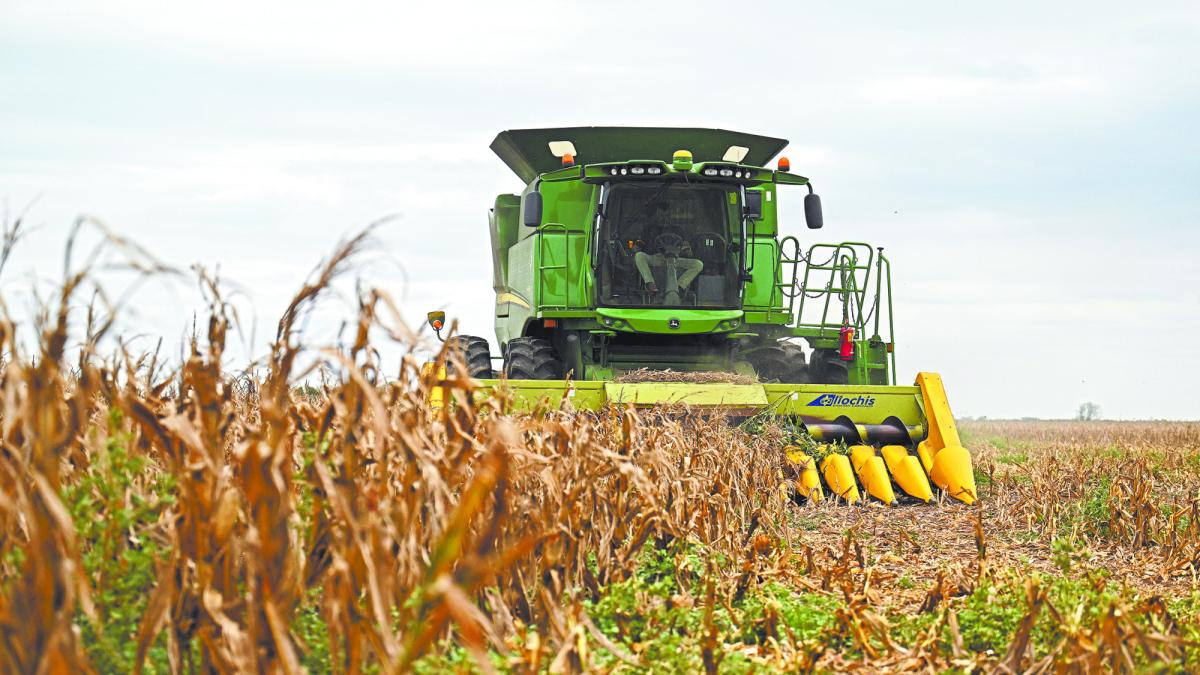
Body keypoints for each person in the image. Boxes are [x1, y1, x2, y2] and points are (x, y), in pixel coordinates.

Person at [633, 208, 703, 305]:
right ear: (656, 216)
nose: (663, 218)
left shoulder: (678, 230)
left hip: (676, 260)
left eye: (665, 215)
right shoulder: (648, 230)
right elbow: (638, 245)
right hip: (656, 259)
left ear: (669, 215)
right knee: (639, 256)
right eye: (660, 215)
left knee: (698, 264)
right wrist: (636, 248)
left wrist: (687, 251)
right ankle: (650, 284)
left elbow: (686, 247)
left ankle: (679, 287)